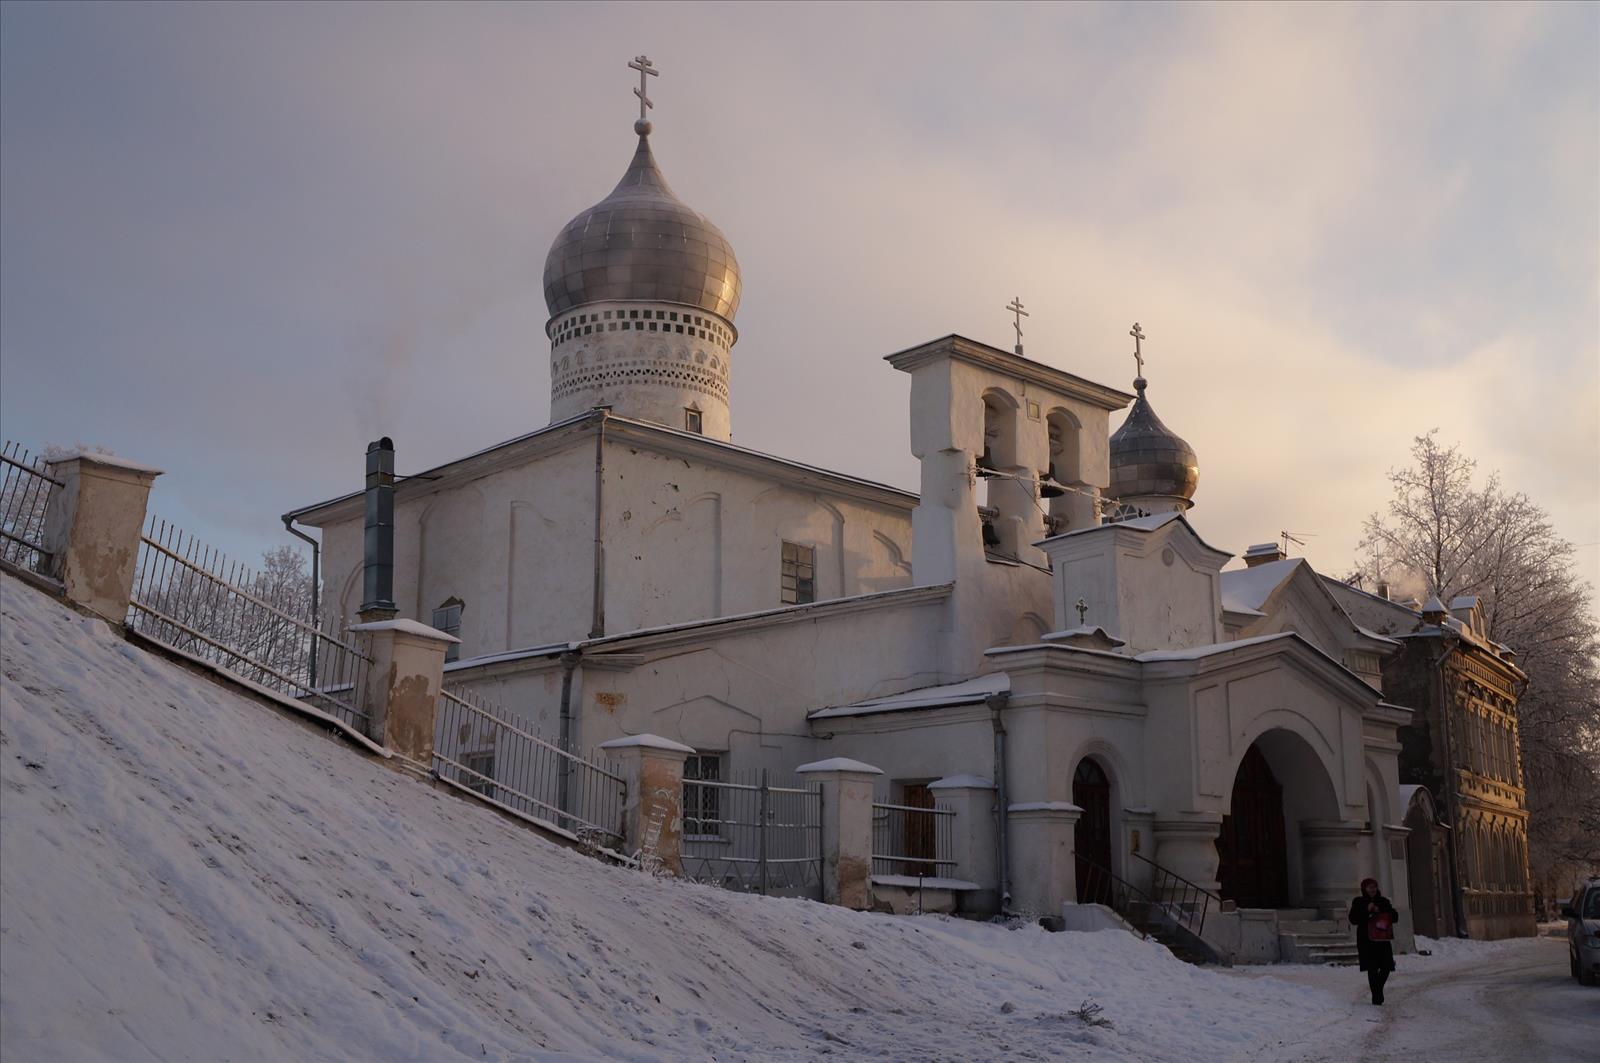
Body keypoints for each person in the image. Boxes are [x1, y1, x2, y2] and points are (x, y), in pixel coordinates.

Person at [1349, 877, 1398, 1005]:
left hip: (1382, 939)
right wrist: (1366, 910)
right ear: (1364, 889)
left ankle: (1378, 990)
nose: (1373, 890)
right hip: (1366, 940)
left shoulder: (1383, 901)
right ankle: (1376, 996)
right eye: (1370, 887)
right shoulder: (1359, 902)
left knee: (1386, 966)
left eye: (1374, 887)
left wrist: (1379, 910)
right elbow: (1353, 919)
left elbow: (1394, 916)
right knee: (1372, 968)